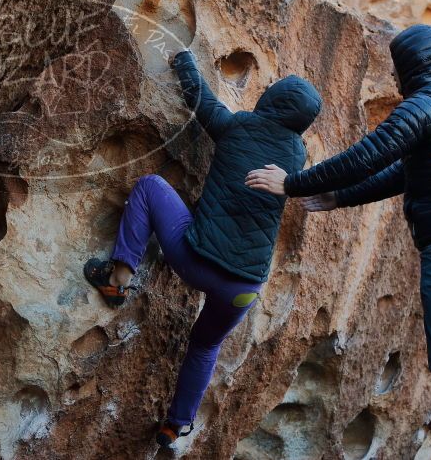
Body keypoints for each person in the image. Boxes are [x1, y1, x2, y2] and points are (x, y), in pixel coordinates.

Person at [84, 49, 322, 447]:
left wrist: (182, 57)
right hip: (243, 288)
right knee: (206, 346)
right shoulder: (295, 158)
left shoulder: (239, 127)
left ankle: (117, 279)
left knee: (150, 187)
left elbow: (199, 97)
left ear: (272, 100)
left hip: (195, 259)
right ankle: (175, 425)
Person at [245, 24, 431, 399]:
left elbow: (369, 156)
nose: (392, 77)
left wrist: (293, 183)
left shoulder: (426, 104)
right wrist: (340, 197)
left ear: (410, 66)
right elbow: (406, 172)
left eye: (395, 68)